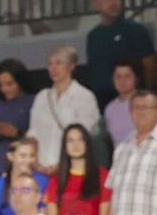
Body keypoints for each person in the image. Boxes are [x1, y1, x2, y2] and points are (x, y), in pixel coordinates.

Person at [28, 46, 102, 174]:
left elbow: (85, 135)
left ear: (71, 66)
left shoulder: (84, 96)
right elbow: (33, 132)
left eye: (59, 63)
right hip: (40, 167)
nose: (53, 69)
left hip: (69, 168)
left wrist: (60, 166)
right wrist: (35, 162)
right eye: (50, 64)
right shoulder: (42, 96)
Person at [86, 0, 153, 108]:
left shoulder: (134, 30)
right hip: (100, 100)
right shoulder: (93, 36)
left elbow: (149, 65)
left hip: (130, 99)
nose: (114, 2)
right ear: (95, 4)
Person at [0, 58, 34, 177]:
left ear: (20, 81)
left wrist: (16, 133)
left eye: (9, 84)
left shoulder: (34, 102)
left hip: (22, 169)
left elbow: (41, 139)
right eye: (1, 85)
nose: (4, 89)